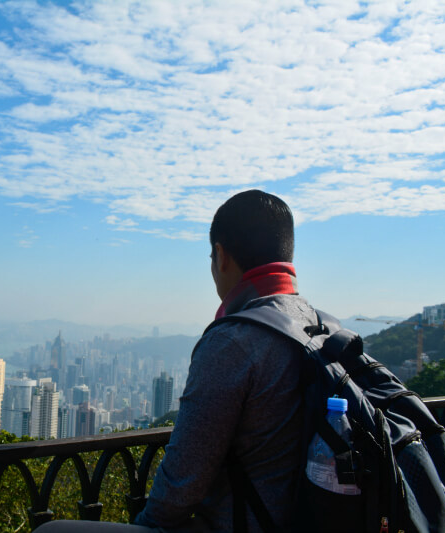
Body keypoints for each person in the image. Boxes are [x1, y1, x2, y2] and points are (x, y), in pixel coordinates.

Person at [36, 189, 316, 532]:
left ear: (220, 255)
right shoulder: (321, 328)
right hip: (311, 519)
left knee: (51, 531)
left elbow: (181, 486)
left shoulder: (232, 342)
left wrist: (145, 526)